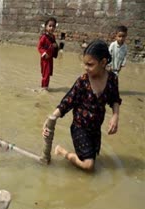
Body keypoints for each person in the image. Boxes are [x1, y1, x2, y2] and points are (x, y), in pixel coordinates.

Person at [42, 40, 122, 171]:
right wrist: (51, 118)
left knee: (93, 158)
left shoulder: (112, 79)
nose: (86, 68)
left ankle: (76, 154)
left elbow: (115, 99)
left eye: (90, 65)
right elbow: (67, 102)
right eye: (85, 64)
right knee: (89, 165)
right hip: (80, 127)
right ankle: (62, 152)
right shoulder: (83, 82)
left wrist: (115, 116)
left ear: (103, 63)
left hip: (96, 129)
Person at [37, 17, 59, 91]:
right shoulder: (43, 37)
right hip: (45, 59)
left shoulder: (52, 37)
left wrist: (56, 46)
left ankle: (45, 87)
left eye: (53, 26)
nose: (51, 28)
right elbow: (39, 47)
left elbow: (54, 45)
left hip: (50, 58)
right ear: (46, 27)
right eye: (50, 26)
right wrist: (44, 53)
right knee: (45, 74)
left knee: (48, 73)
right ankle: (44, 88)